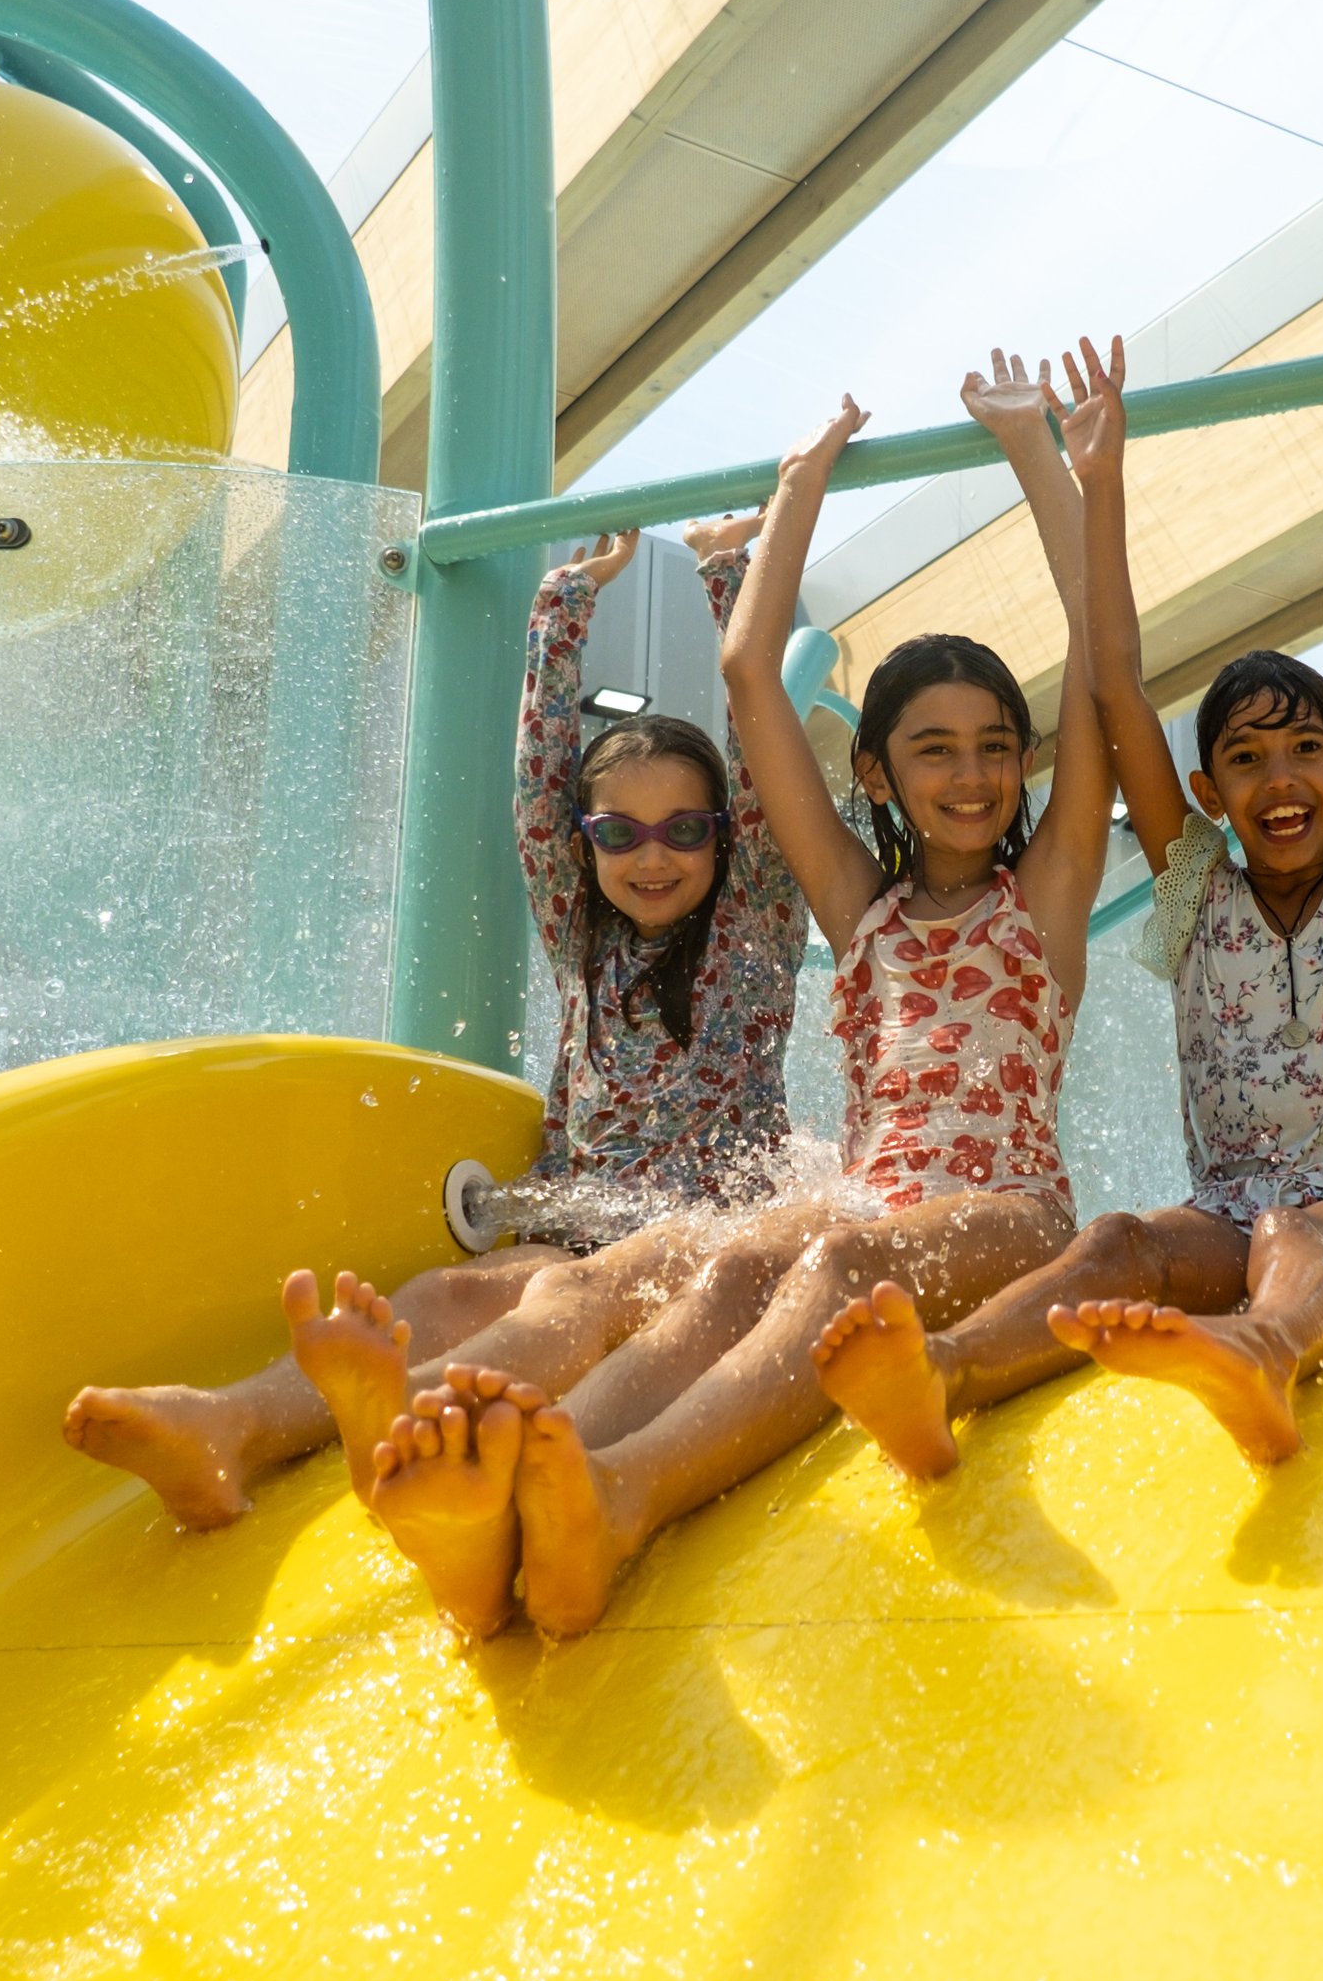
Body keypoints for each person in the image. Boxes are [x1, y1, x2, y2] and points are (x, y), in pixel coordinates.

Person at [330, 346, 1117, 1638]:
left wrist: (1041, 453)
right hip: (867, 1205)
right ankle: (510, 1486)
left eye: (993, 749)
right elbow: (752, 673)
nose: (971, 776)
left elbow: (1098, 664)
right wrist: (800, 483)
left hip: (1008, 1215)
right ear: (876, 775)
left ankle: (623, 1487)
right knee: (708, 1261)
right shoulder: (859, 912)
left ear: (1024, 765)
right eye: (934, 750)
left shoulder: (1047, 896)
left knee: (832, 1257)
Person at [60, 509, 819, 1528]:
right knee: (442, 1294)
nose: (653, 856)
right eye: (619, 832)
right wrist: (564, 603)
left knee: (558, 1306)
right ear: (584, 846)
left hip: (701, 1240)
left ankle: (403, 1416)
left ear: (724, 838)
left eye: (686, 829)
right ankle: (230, 1423)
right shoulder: (583, 935)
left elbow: (769, 772)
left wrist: (728, 577)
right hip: (581, 1231)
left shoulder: (755, 925)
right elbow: (536, 788)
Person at [816, 316, 1323, 1472]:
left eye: (1306, 752)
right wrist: (1100, 479)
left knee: (1297, 1234)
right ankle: (944, 1371)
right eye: (1247, 760)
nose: (1281, 781)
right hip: (1225, 1218)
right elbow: (1116, 680)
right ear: (1205, 793)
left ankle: (1268, 1347)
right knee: (1121, 1240)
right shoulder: (1196, 895)